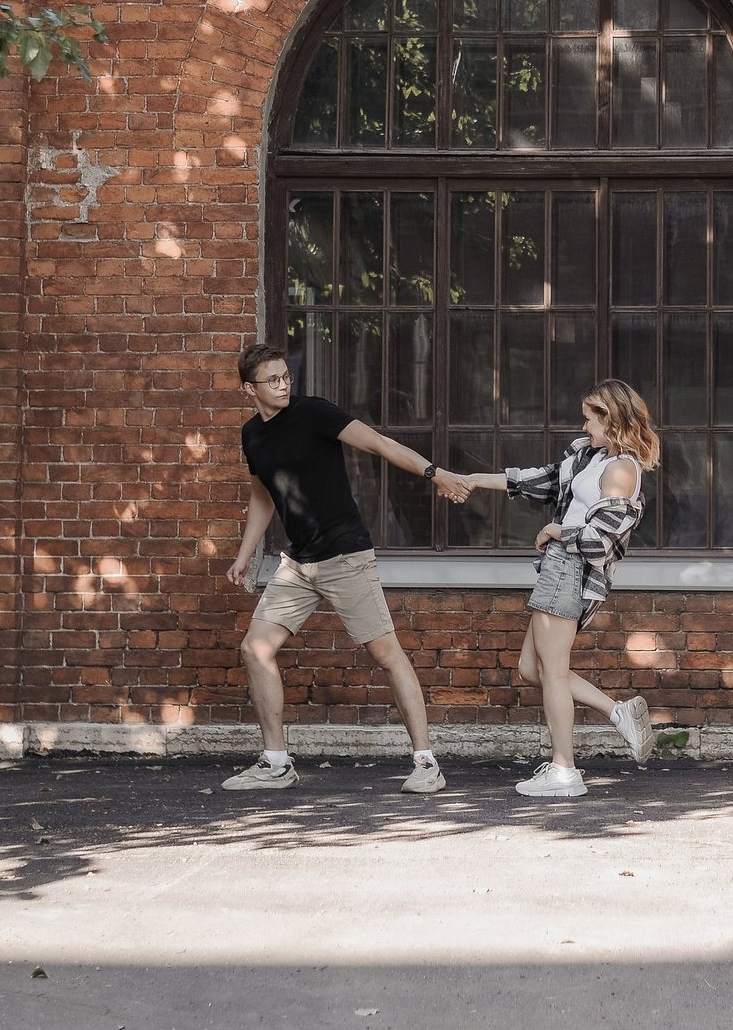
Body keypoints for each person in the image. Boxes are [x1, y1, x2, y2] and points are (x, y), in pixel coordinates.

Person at [222, 339, 472, 794]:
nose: (282, 385)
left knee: (386, 654)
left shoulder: (313, 412)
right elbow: (263, 494)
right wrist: (244, 555)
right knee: (254, 648)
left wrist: (437, 474)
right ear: (248, 389)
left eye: (285, 376)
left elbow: (378, 443)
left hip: (344, 556)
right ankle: (276, 763)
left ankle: (426, 763)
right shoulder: (252, 434)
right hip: (297, 564)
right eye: (272, 380)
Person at [440, 379, 659, 798]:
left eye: (590, 417)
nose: (584, 424)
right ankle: (618, 712)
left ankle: (565, 771)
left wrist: (558, 530)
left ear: (611, 420)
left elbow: (602, 542)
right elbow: (535, 481)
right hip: (558, 567)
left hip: (572, 569)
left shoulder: (620, 470)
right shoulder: (590, 457)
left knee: (553, 673)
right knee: (531, 668)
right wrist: (469, 479)